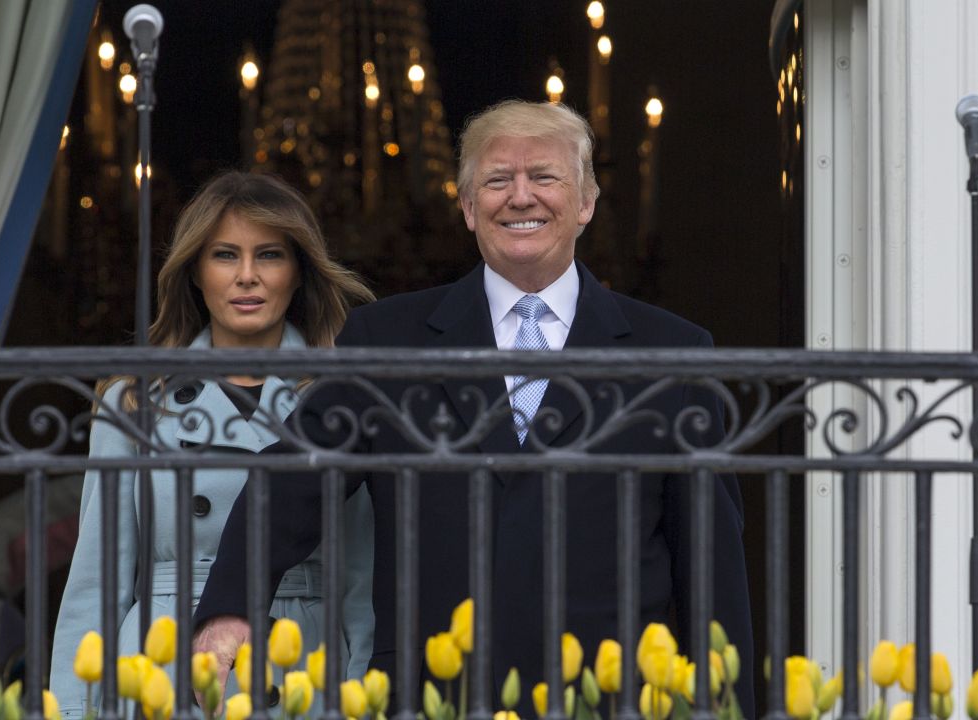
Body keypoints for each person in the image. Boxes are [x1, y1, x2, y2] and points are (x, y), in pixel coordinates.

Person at [193, 101, 754, 716]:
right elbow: (294, 480)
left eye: (544, 177)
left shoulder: (671, 352)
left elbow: (711, 564)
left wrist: (724, 702)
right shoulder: (388, 339)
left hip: (607, 698)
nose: (520, 197)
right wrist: (230, 608)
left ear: (587, 202)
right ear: (466, 207)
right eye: (496, 180)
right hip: (434, 693)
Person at [50, 172, 378, 718]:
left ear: (299, 273)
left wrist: (365, 697)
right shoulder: (134, 401)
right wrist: (71, 709)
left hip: (302, 661)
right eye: (225, 255)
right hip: (163, 661)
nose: (247, 277)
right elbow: (97, 579)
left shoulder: (347, 398)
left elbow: (363, 578)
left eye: (269, 255)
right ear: (195, 274)